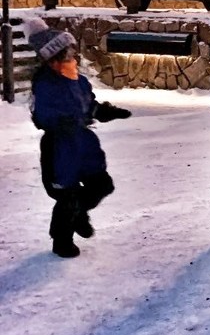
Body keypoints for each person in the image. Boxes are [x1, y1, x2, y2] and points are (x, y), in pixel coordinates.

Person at [25, 16, 131, 258]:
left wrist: (104, 111)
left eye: (70, 51)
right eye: (65, 53)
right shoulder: (45, 84)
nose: (71, 56)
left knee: (102, 184)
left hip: (83, 144)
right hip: (60, 147)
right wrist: (60, 122)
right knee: (67, 195)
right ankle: (61, 239)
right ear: (52, 59)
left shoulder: (78, 80)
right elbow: (41, 115)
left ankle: (78, 213)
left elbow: (88, 105)